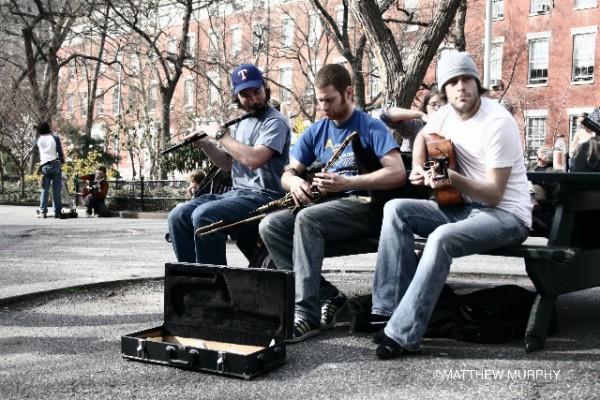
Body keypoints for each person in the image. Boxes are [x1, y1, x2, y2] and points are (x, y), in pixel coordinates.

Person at [370, 52, 532, 359]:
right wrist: (418, 167)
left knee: (440, 239)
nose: (461, 87)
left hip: (506, 216)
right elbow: (422, 136)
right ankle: (389, 313)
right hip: (462, 208)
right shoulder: (445, 113)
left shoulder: (498, 122)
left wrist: (451, 178)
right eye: (453, 82)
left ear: (477, 83)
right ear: (444, 90)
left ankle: (404, 334)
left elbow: (495, 194)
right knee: (396, 209)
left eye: (466, 79)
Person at [259, 64, 406, 342]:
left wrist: (348, 183)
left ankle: (306, 313)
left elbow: (397, 172)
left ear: (348, 93)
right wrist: (296, 183)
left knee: (307, 219)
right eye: (319, 100)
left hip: (364, 205)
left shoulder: (370, 127)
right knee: (271, 226)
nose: (323, 106)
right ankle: (328, 296)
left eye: (329, 100)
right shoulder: (317, 130)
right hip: (328, 208)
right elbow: (287, 173)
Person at [167, 63, 291, 265]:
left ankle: (215, 286)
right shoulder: (242, 122)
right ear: (237, 98)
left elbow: (253, 159)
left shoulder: (275, 122)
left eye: (257, 92)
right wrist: (206, 144)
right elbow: (228, 165)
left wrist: (220, 135)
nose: (253, 99)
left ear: (265, 88)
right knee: (178, 215)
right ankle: (191, 280)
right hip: (237, 194)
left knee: (205, 216)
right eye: (246, 95)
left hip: (266, 196)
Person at [379, 87, 446, 152]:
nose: (437, 108)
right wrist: (420, 115)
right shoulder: (417, 125)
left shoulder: (451, 128)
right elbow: (384, 114)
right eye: (433, 104)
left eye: (442, 105)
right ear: (426, 107)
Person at [35, 121, 65, 218]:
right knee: (56, 191)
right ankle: (57, 212)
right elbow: (59, 151)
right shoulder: (55, 138)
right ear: (48, 128)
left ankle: (43, 212)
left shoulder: (39, 140)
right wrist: (62, 160)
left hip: (45, 167)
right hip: (56, 165)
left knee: (45, 190)